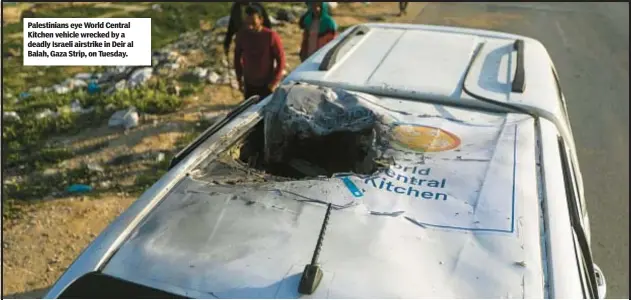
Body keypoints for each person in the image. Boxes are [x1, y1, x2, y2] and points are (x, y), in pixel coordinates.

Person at [234, 5, 286, 101]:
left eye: (253, 22)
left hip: (267, 84)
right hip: (249, 84)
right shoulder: (242, 35)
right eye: (247, 22)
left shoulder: (270, 36)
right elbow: (237, 57)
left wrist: (274, 83)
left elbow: (281, 60)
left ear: (261, 20)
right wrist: (239, 79)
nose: (250, 26)